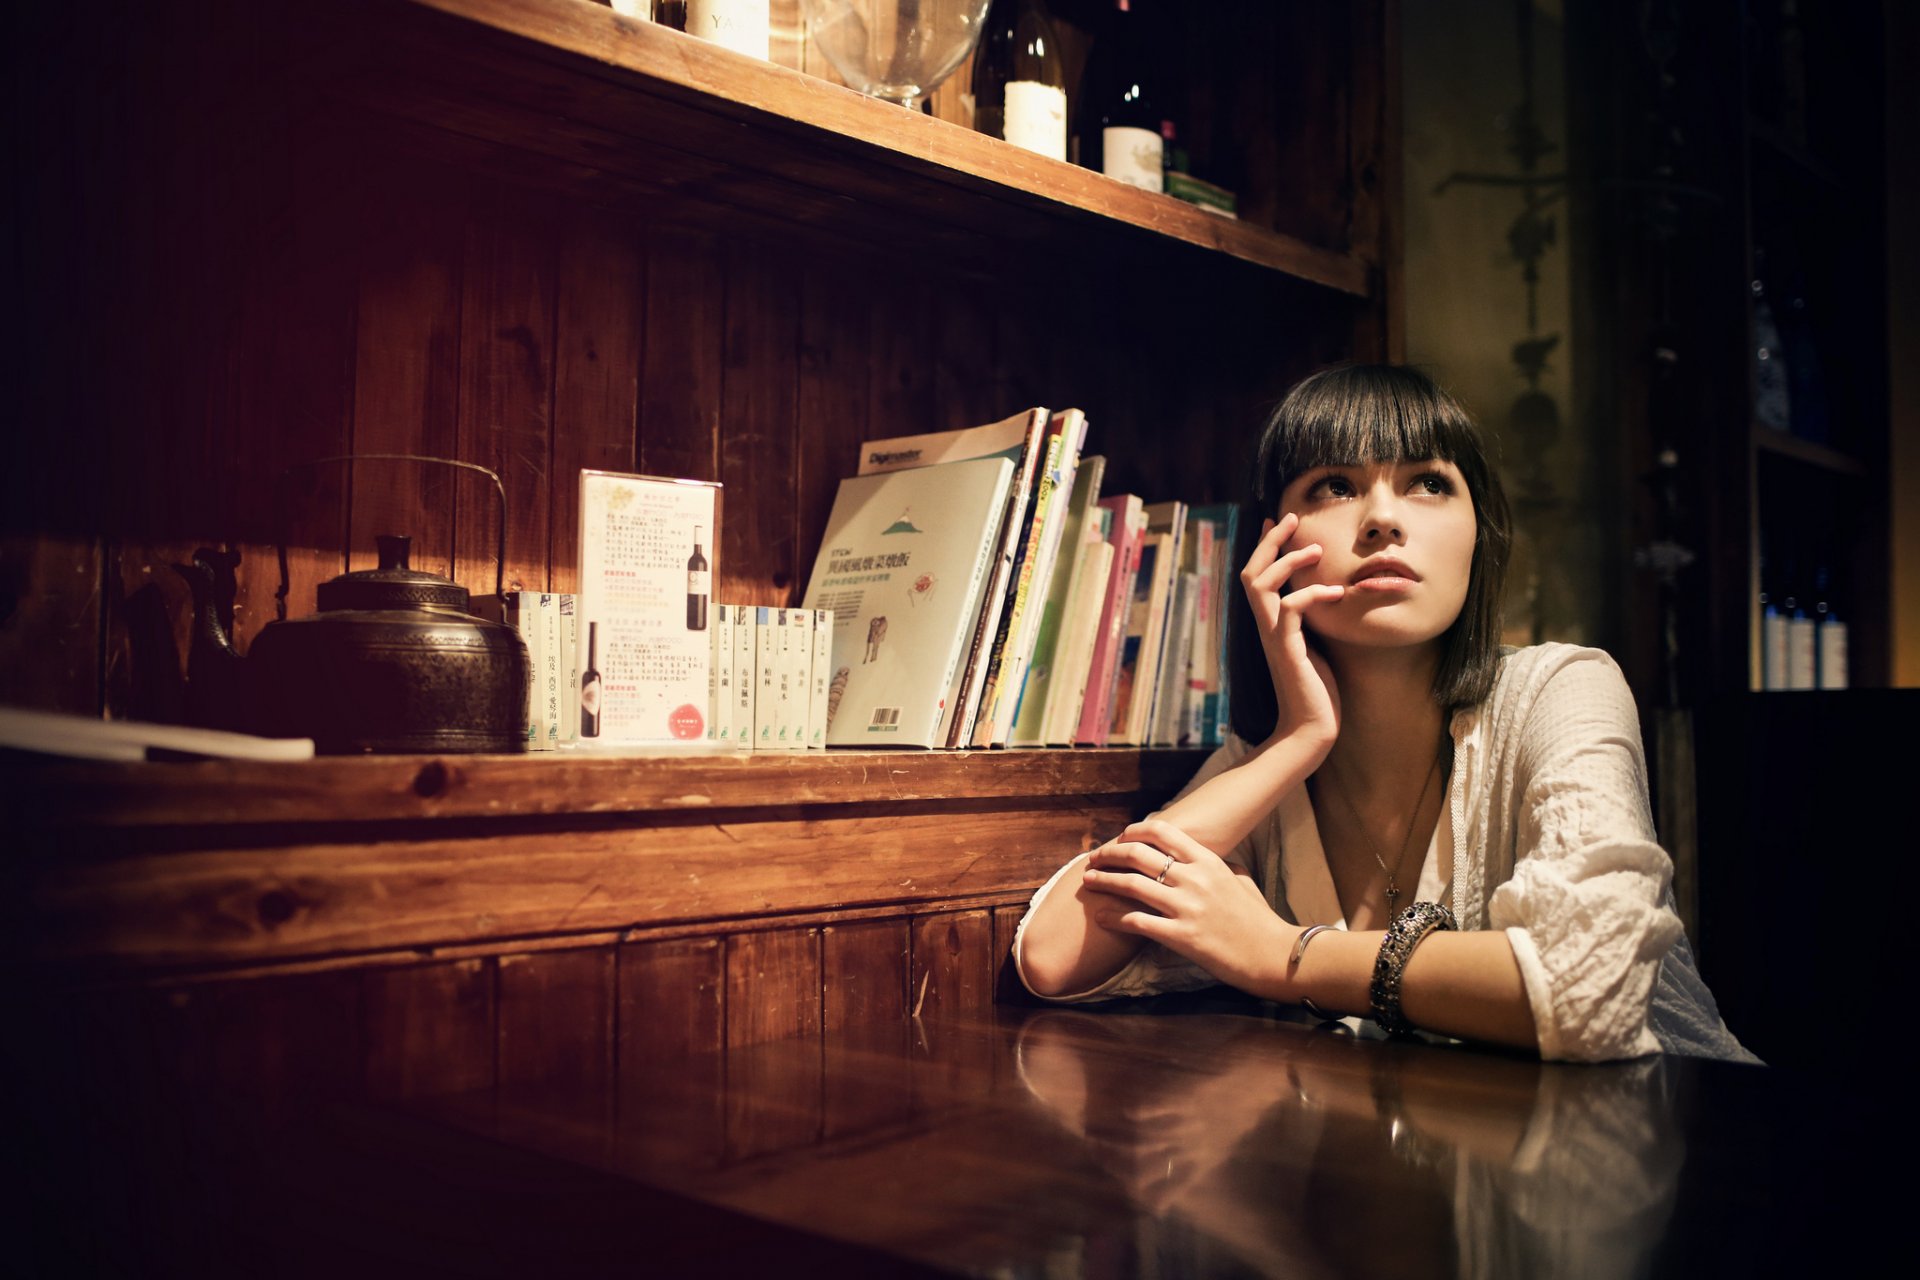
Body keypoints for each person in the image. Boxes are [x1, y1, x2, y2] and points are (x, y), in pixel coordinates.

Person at [1013, 364, 1753, 1063]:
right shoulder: (1264, 771)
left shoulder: (1562, 691)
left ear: (1479, 535)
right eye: (1335, 485)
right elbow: (1052, 955)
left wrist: (1286, 956)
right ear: (1271, 544)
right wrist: (1298, 741)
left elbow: (1590, 988)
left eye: (1428, 482)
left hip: (1685, 1157)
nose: (1383, 520)